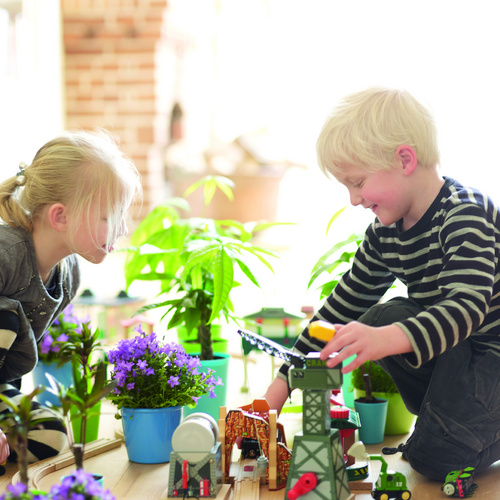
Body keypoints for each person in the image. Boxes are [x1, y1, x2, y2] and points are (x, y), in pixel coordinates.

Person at [264, 87, 500, 481]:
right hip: (455, 362)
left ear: (404, 159)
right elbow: (342, 305)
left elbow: (466, 309)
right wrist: (280, 386)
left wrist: (386, 338)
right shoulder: (385, 233)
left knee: (433, 462)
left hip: (489, 359)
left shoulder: (466, 214)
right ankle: (449, 429)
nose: (354, 199)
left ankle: (468, 433)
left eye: (357, 182)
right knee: (380, 315)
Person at [0, 129, 142, 463]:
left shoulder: (68, 276)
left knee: (51, 434)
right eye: (109, 216)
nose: (121, 229)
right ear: (60, 216)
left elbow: (14, 355)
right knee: (4, 317)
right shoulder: (6, 254)